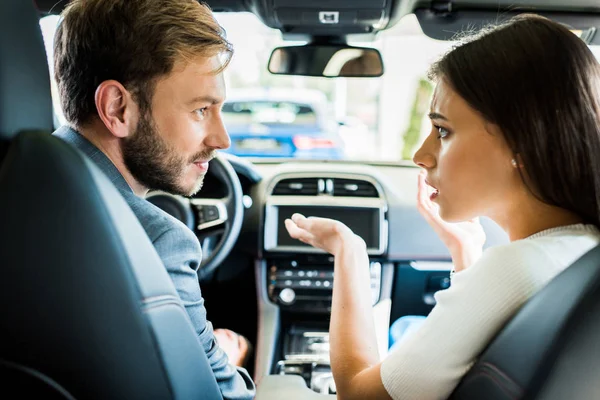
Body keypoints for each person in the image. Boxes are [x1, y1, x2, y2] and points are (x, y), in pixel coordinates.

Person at [285, 14, 600, 400]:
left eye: (443, 131)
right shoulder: (579, 250)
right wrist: (465, 254)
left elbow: (356, 394)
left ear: (522, 141)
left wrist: (348, 252)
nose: (421, 155)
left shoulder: (513, 268)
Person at [51, 1, 255, 399]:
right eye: (201, 110)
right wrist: (226, 363)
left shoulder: (20, 187)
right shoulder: (159, 240)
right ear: (117, 108)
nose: (221, 140)